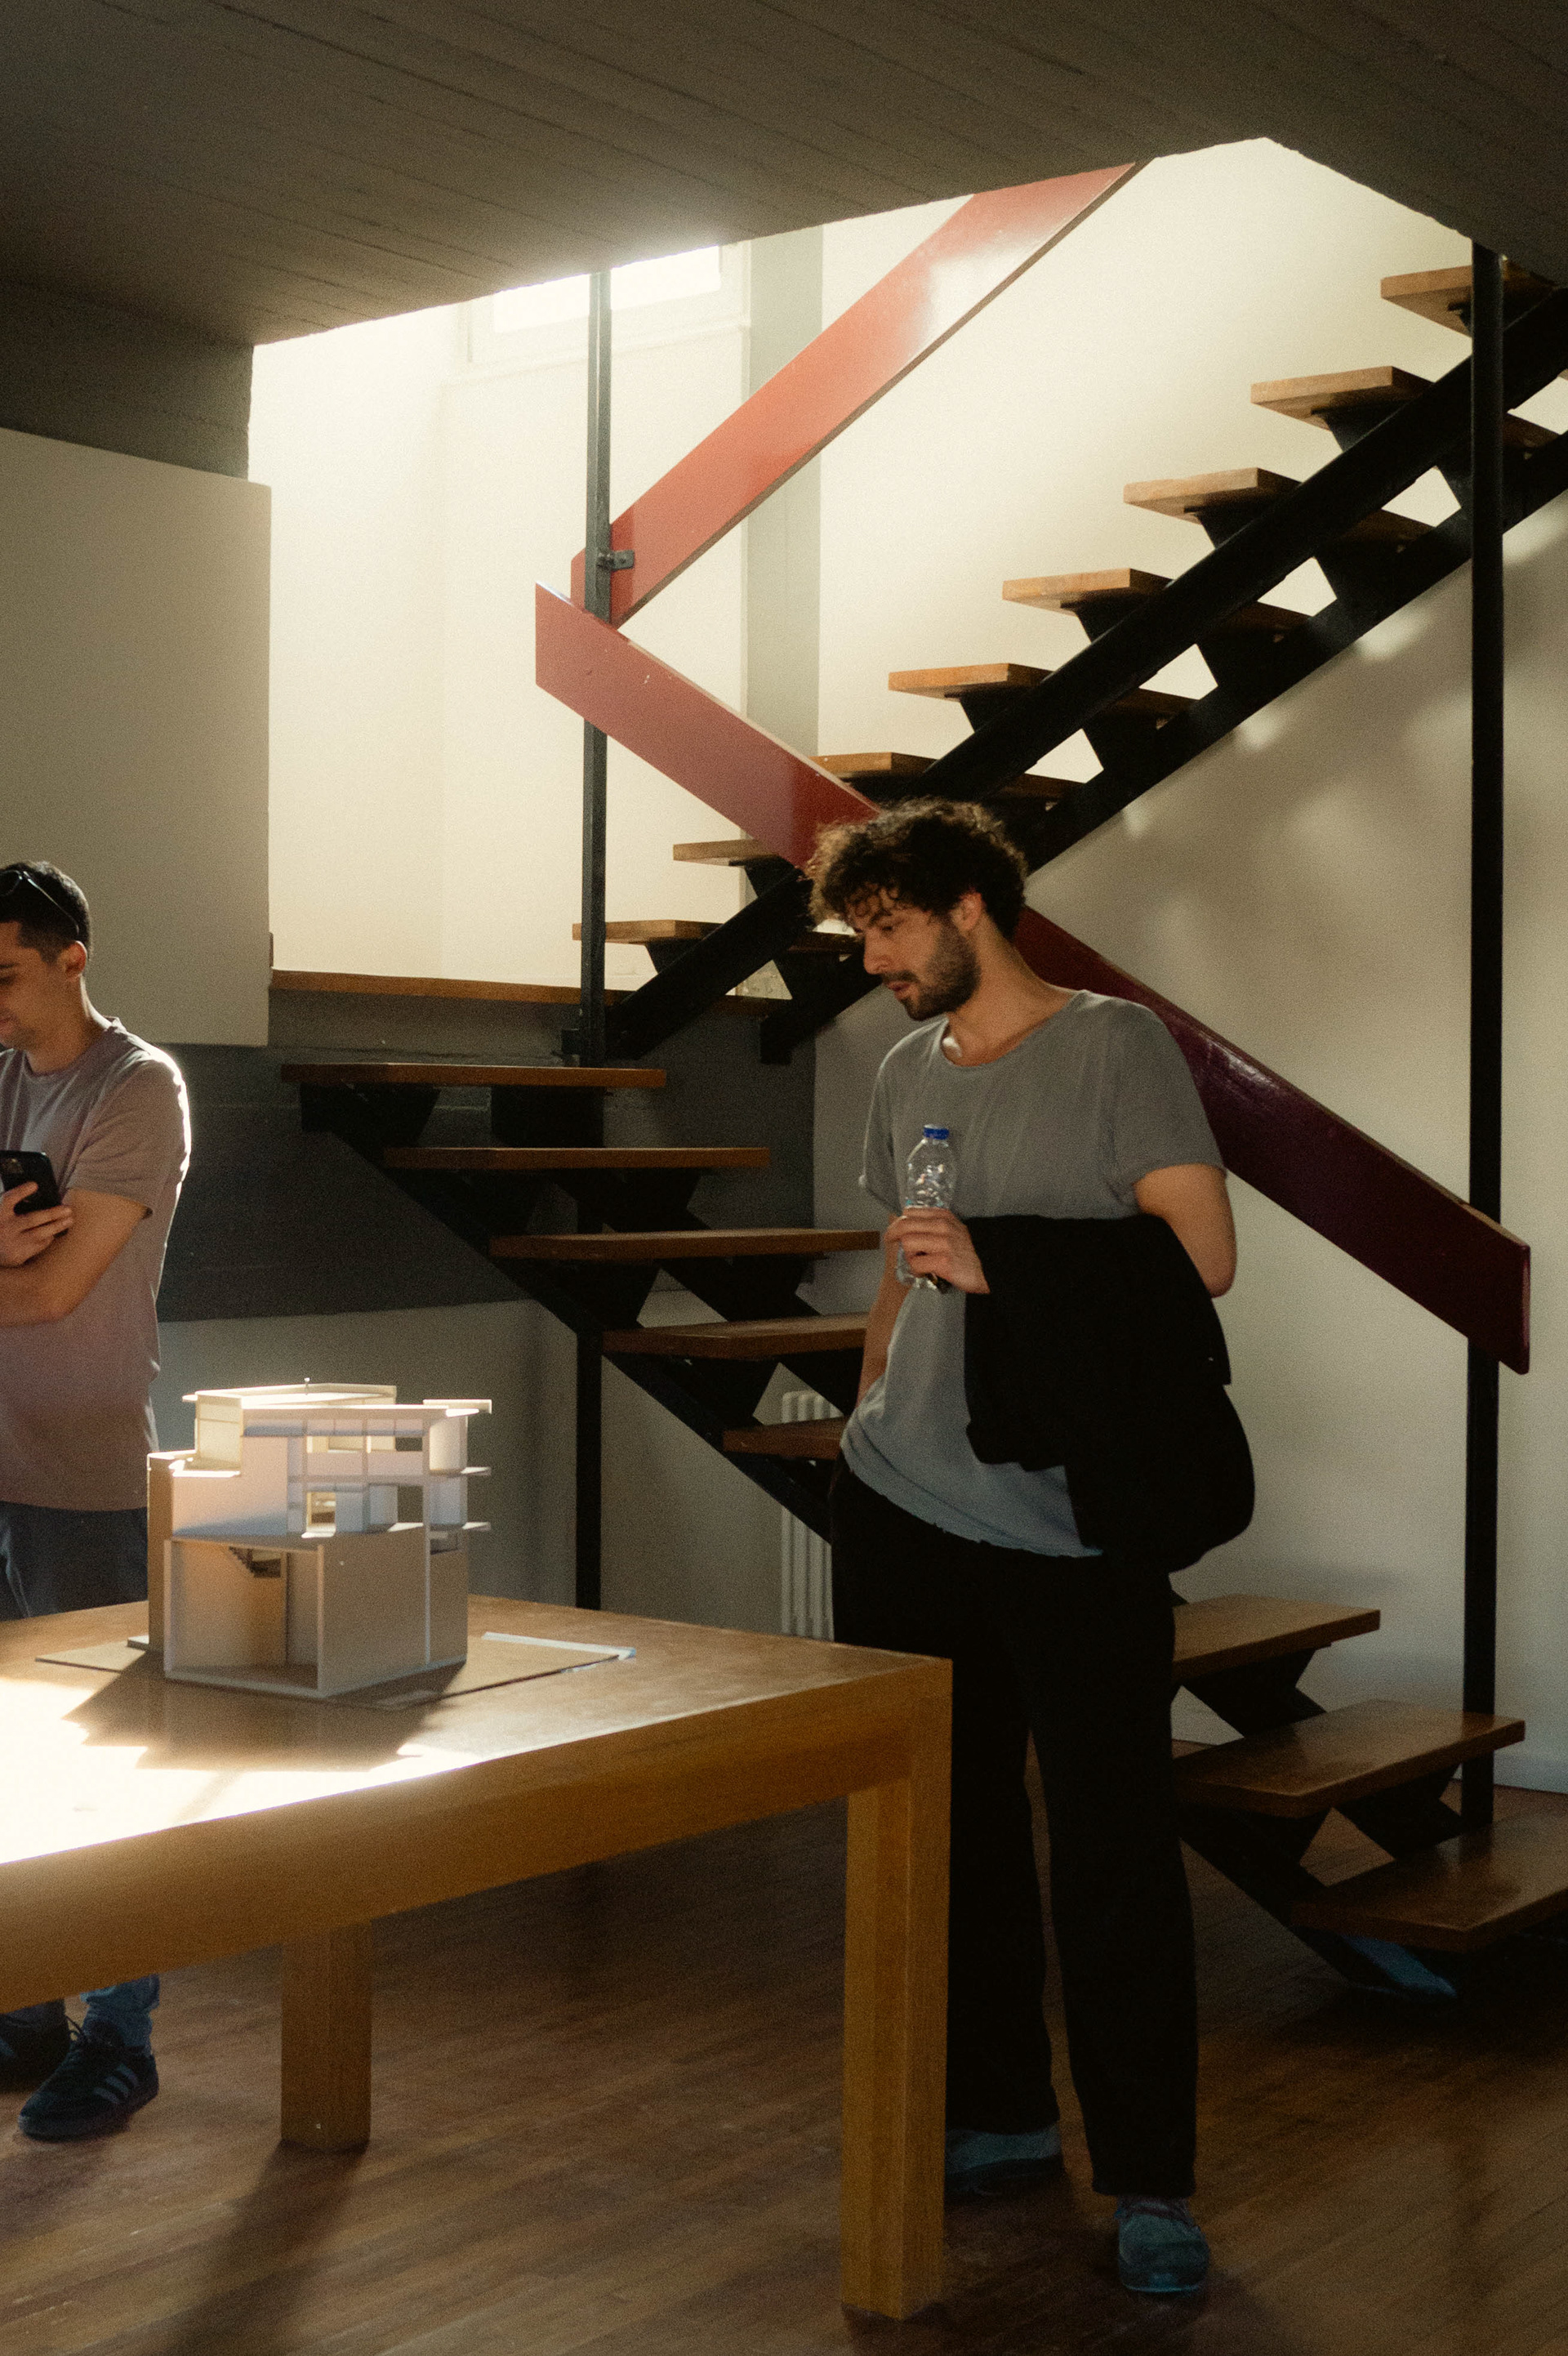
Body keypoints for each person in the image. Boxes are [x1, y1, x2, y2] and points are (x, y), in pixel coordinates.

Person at [812, 801, 1237, 2299]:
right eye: (860, 933)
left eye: (889, 926)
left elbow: (1204, 1259)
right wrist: (866, 1408)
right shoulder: (906, 1071)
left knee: (1113, 1848)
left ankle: (1149, 2179)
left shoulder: (1116, 1048)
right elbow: (902, 1268)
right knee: (949, 1832)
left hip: (1069, 1523)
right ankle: (995, 2112)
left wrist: (1008, 1262)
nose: (874, 958)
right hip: (901, 1502)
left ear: (970, 907)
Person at [0, 860, 190, 2140]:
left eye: (6, 976)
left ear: (73, 958)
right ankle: (24, 2009)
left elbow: (57, 1289)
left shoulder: (139, 1088)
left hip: (81, 1482)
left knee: (107, 1770)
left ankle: (121, 2036)